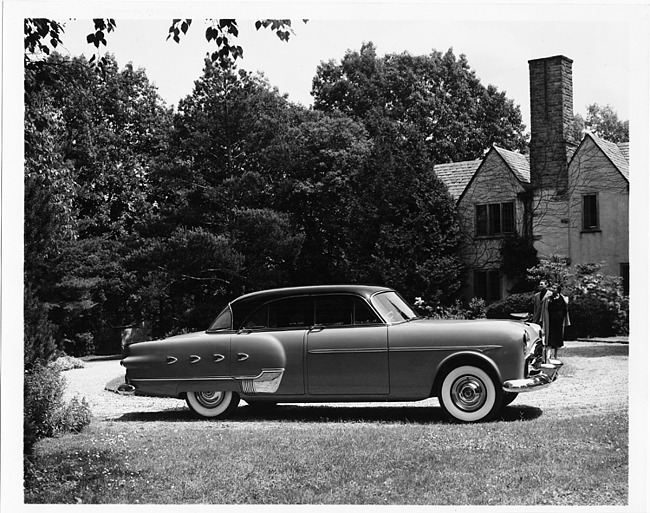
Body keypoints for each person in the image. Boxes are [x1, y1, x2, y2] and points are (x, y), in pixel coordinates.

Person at [541, 284, 570, 361]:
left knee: (558, 338)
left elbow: (565, 310)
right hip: (550, 321)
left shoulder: (562, 299)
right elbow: (545, 309)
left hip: (559, 322)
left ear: (558, 290)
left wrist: (562, 317)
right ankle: (548, 356)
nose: (553, 289)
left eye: (555, 288)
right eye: (552, 288)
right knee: (550, 338)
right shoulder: (548, 299)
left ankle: (556, 355)